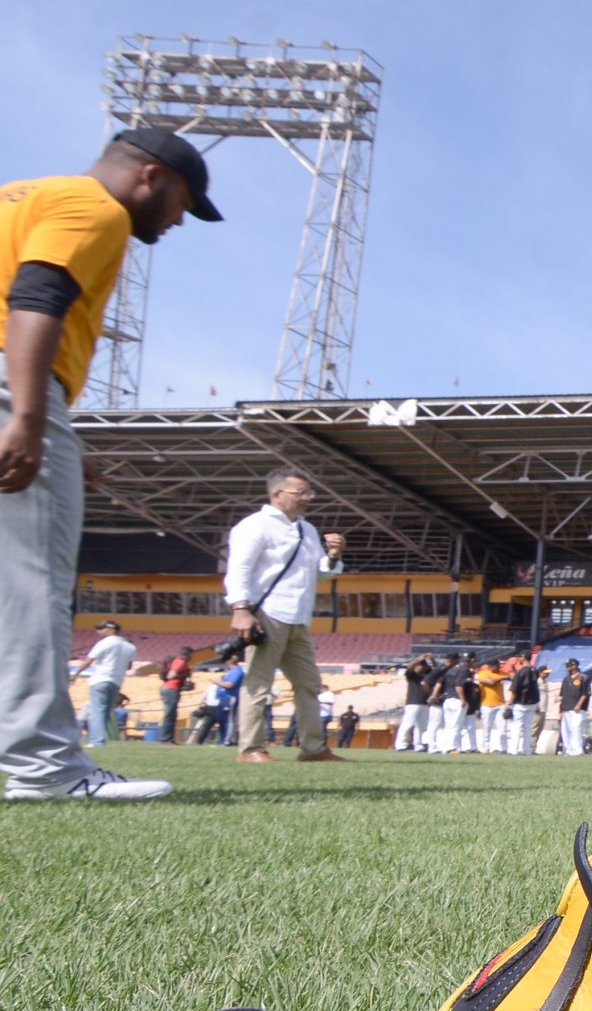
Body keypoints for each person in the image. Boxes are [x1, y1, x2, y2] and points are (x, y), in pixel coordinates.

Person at [2, 129, 217, 801]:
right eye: (183, 201)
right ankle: (45, 769)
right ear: (151, 175)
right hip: (17, 387)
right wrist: (32, 418)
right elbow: (37, 297)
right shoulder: (95, 208)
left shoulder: (21, 195)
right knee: (30, 591)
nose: (179, 218)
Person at [223, 467, 347, 765]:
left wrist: (332, 556)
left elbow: (318, 575)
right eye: (300, 493)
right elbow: (239, 568)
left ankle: (314, 748)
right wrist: (240, 608)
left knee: (309, 684)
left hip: (299, 618)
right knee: (259, 683)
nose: (307, 499)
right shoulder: (255, 526)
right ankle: (250, 748)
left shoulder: (307, 529)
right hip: (267, 614)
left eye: (309, 493)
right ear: (277, 494)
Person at [75, 620, 138, 748]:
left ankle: (97, 741)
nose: (98, 631)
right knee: (105, 711)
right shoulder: (130, 646)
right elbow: (129, 666)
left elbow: (88, 660)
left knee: (96, 710)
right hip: (116, 681)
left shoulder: (104, 643)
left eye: (101, 628)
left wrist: (75, 673)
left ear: (110, 629)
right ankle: (100, 739)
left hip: (100, 679)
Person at [395, 654, 434, 752]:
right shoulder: (412, 675)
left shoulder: (427, 675)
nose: (421, 667)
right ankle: (400, 744)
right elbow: (410, 667)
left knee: (421, 726)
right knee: (407, 724)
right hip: (413, 702)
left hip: (424, 703)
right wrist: (418, 659)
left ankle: (419, 745)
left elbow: (435, 669)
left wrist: (432, 659)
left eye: (422, 665)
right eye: (419, 665)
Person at [430, 653, 468, 753]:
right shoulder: (462, 669)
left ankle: (449, 746)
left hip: (447, 700)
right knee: (456, 725)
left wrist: (434, 695)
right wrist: (462, 698)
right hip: (456, 699)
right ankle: (452, 747)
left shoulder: (447, 670)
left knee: (449, 725)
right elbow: (458, 685)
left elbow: (439, 683)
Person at [505, 657, 543, 755]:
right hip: (532, 702)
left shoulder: (521, 672)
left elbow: (515, 689)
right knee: (527, 726)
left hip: (520, 703)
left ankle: (513, 750)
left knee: (516, 726)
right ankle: (527, 750)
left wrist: (510, 702)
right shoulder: (535, 670)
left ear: (523, 658)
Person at [557, 659, 592, 756]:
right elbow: (562, 694)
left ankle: (577, 750)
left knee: (576, 728)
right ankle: (569, 749)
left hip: (578, 708)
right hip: (566, 707)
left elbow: (585, 694)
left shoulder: (584, 678)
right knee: (566, 729)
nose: (566, 667)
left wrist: (579, 704)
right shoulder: (566, 679)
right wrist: (559, 704)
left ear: (574, 666)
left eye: (568, 665)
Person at [158, 647, 191, 745]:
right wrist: (184, 675)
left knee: (172, 715)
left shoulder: (178, 661)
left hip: (171, 689)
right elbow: (171, 676)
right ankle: (165, 739)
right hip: (171, 689)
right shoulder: (180, 662)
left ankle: (169, 738)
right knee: (169, 714)